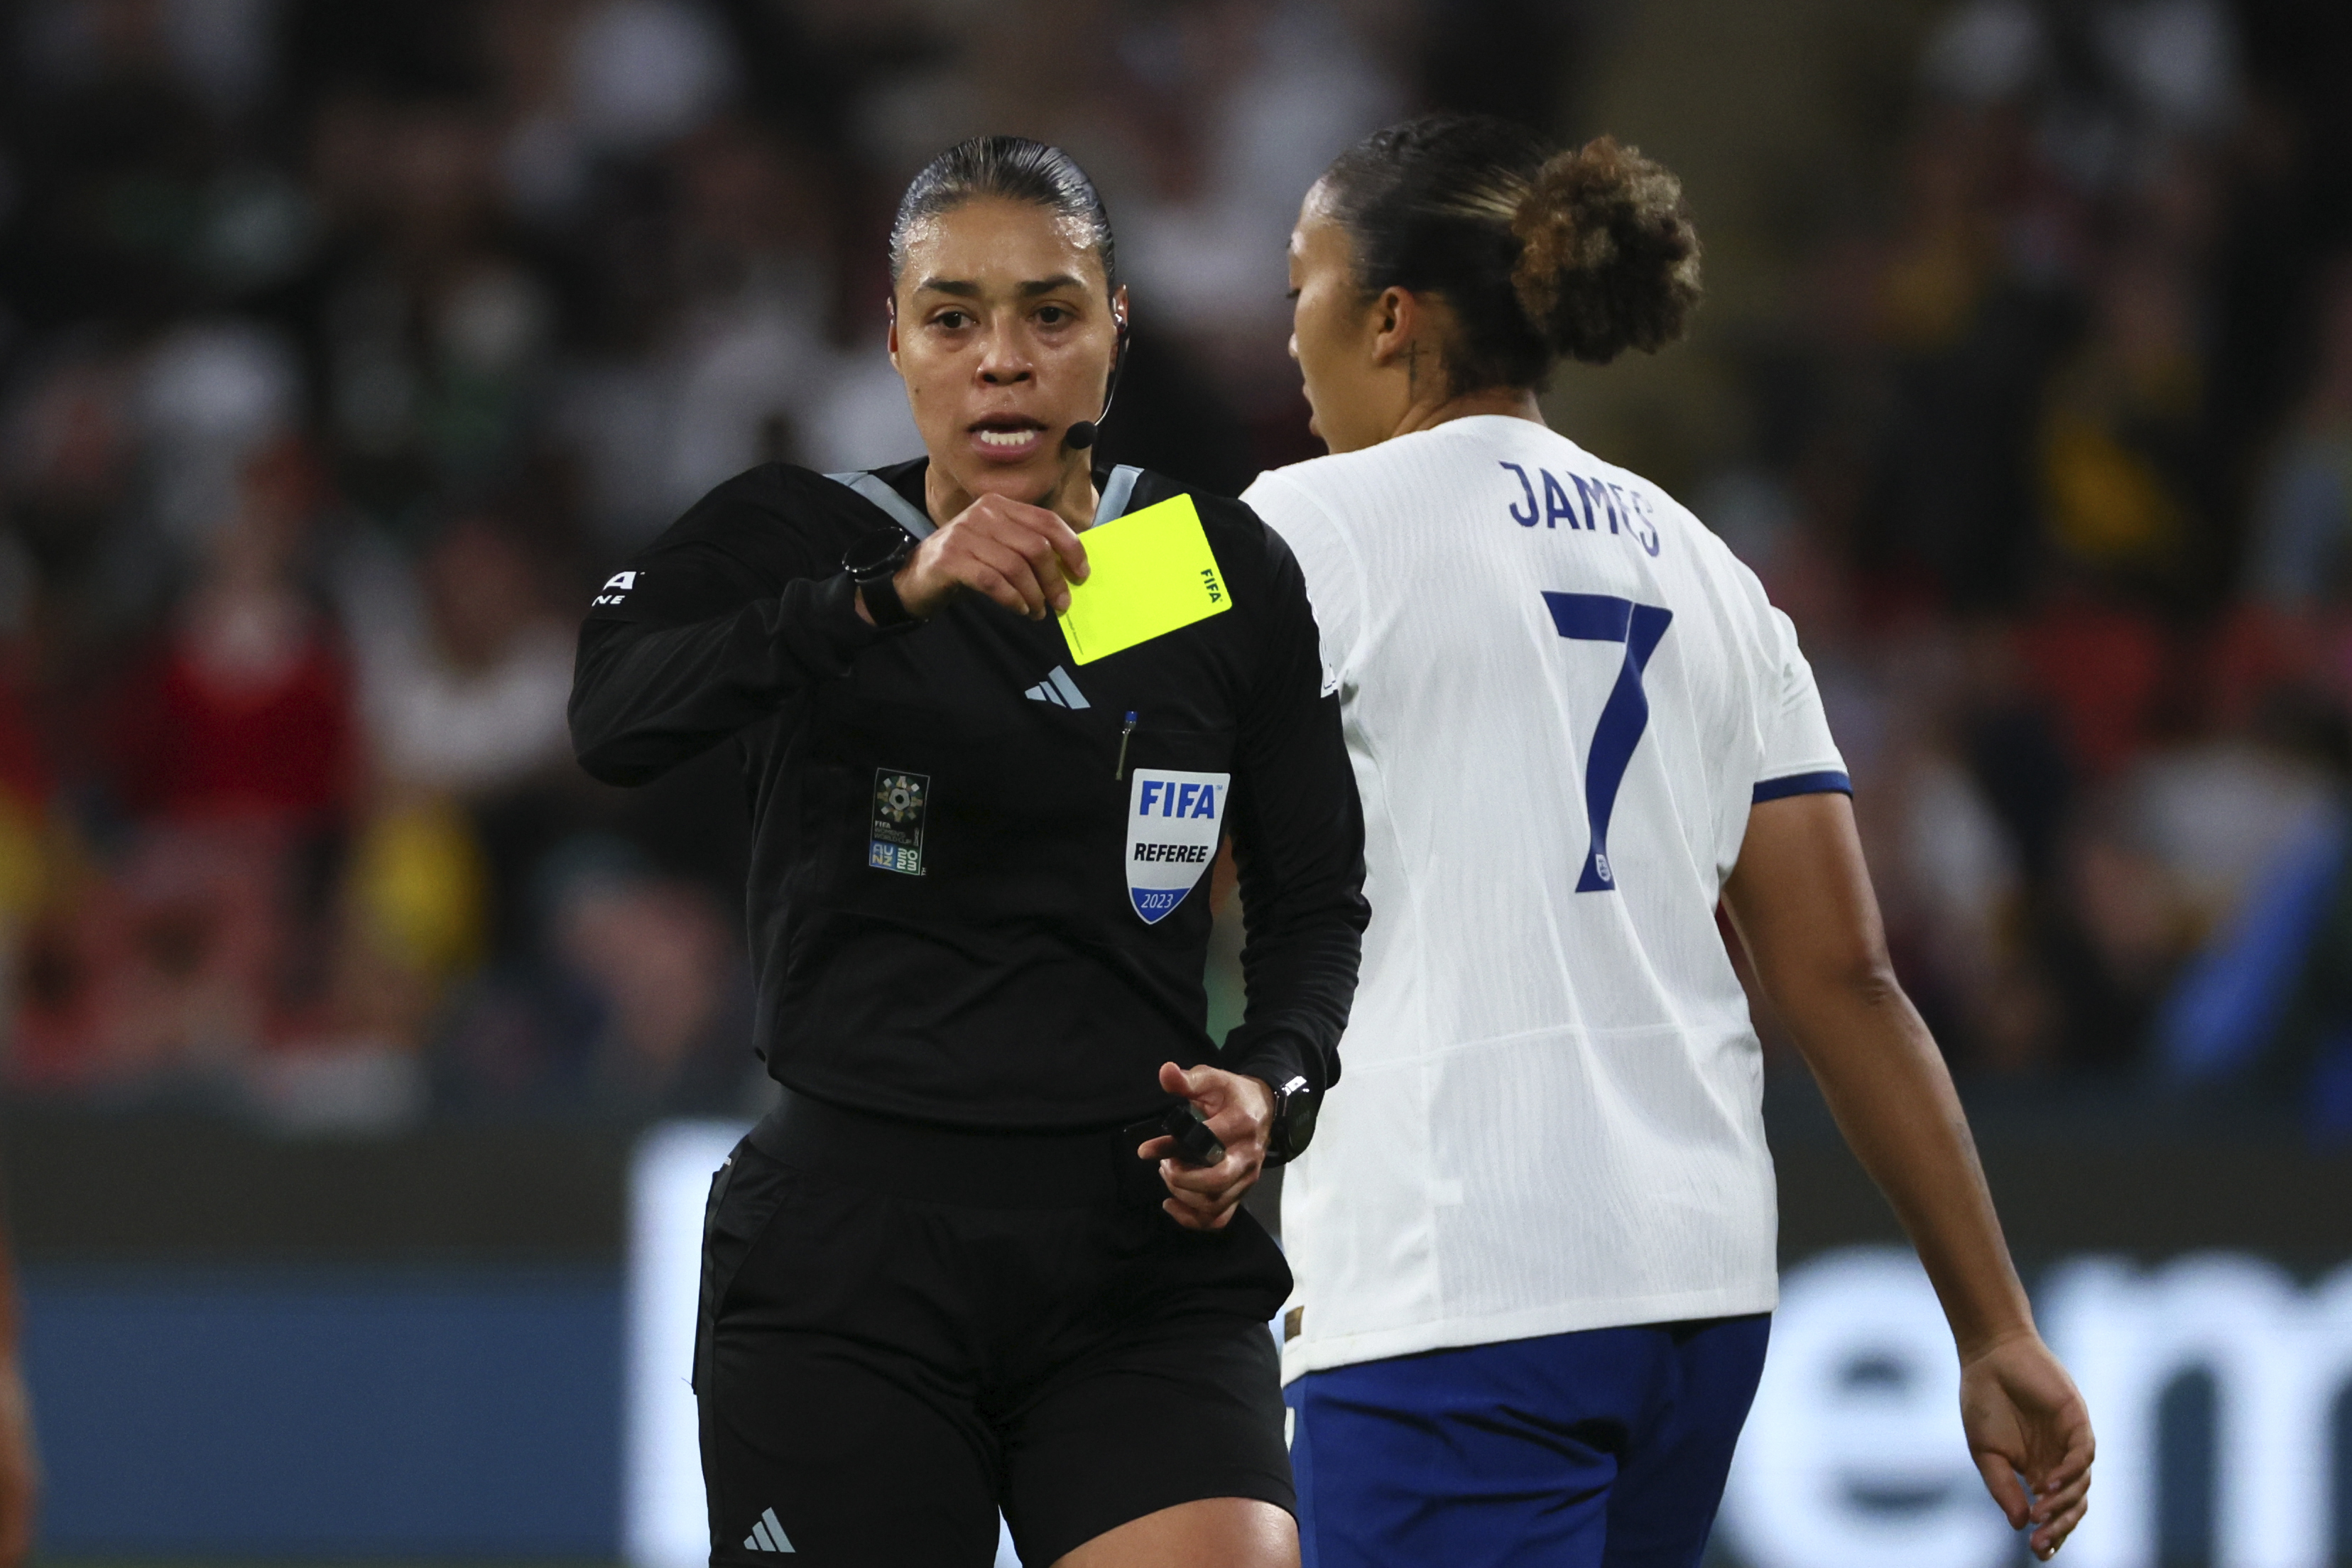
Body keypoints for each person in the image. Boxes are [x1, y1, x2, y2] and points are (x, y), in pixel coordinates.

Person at [1239, 115, 2095, 1568]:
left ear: (1388, 320)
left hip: (1463, 1285)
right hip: (1692, 1298)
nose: (1287, 343)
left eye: (1299, 294)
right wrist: (1995, 1326)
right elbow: (1848, 982)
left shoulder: (1311, 526)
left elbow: (1059, 615)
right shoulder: (1709, 571)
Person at [568, 136, 1367, 1568]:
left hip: (1138, 1264)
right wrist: (890, 598)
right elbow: (616, 714)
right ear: (894, 341)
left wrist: (1275, 1081)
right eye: (953, 318)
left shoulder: (1212, 572)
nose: (1003, 358)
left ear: (1118, 329)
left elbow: (1316, 903)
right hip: (845, 1272)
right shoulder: (801, 537)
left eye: (1051, 314)